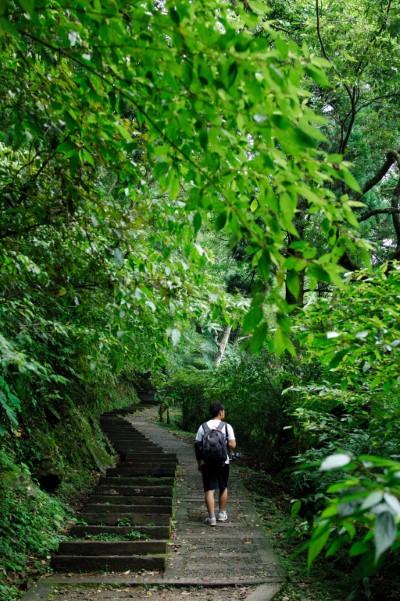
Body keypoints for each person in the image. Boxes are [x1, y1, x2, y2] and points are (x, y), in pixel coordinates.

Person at [195, 402, 236, 526]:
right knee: (223, 486)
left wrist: (199, 463)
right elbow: (233, 445)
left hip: (207, 462)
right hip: (223, 461)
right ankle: (222, 514)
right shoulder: (227, 426)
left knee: (209, 489)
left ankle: (211, 517)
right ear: (220, 412)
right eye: (224, 411)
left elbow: (197, 446)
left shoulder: (203, 427)